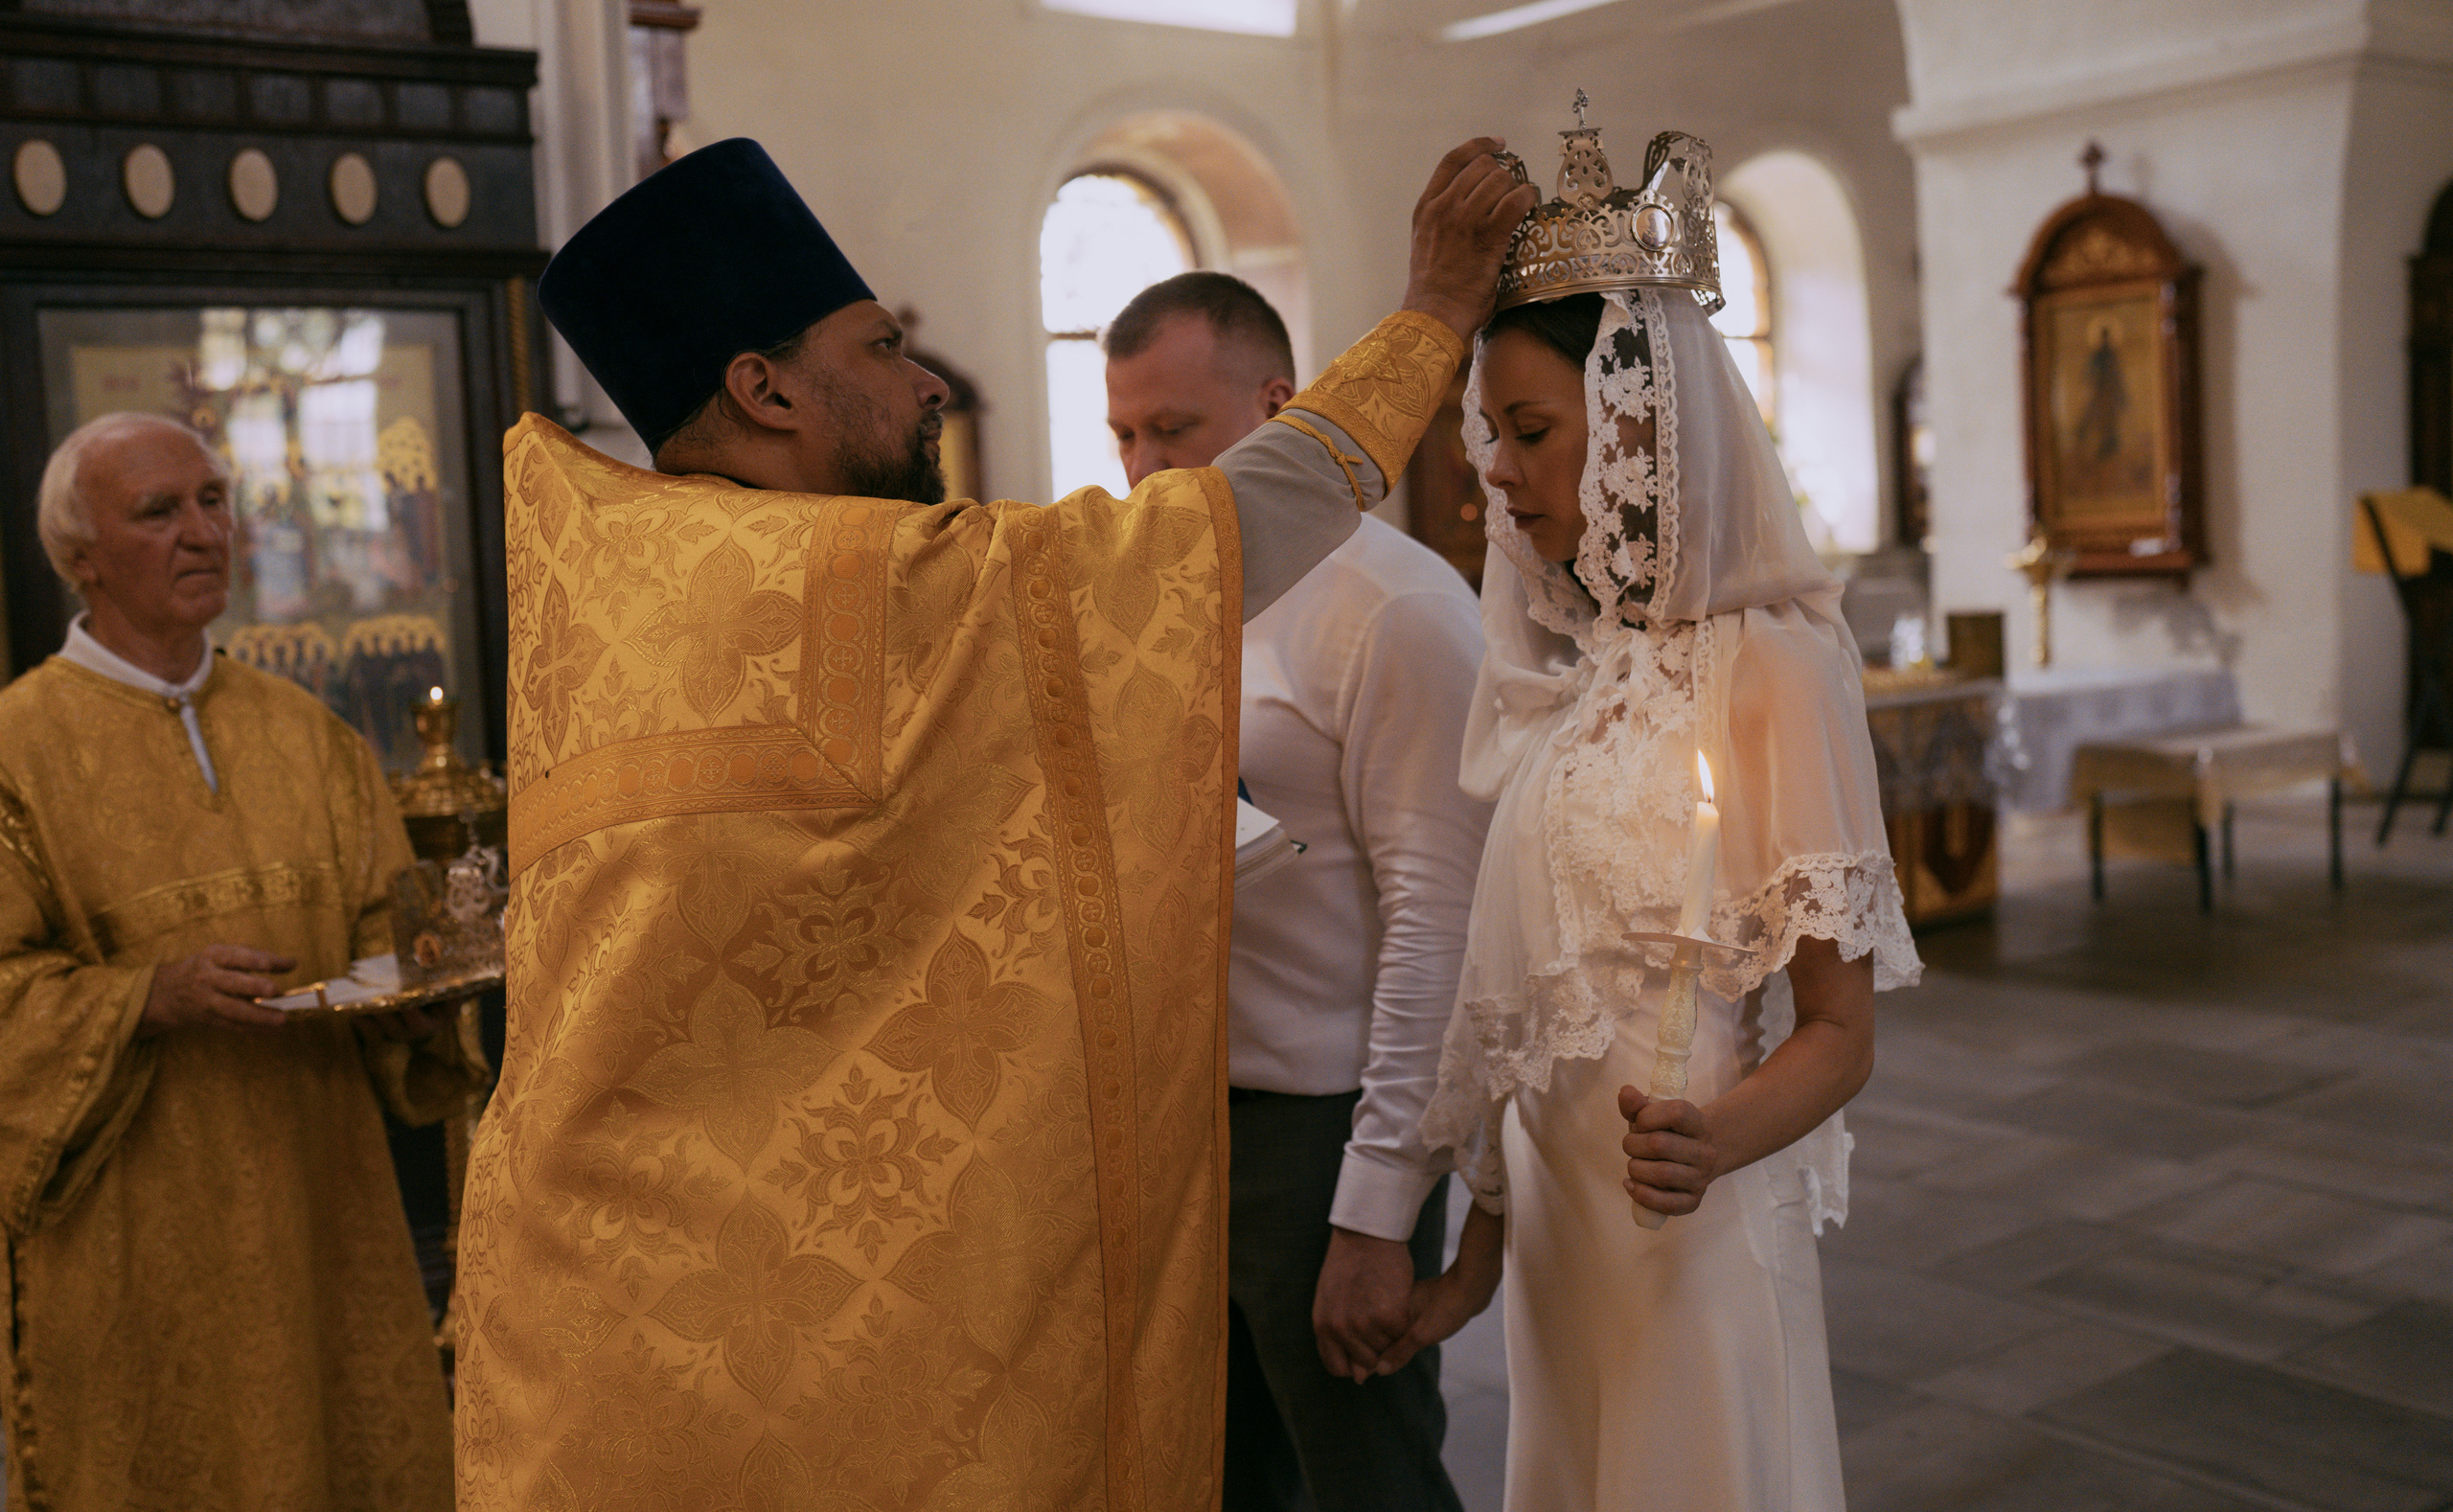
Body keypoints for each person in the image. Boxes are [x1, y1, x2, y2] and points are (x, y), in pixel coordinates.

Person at [452, 137, 1535, 1510]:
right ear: (764, 386)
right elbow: (1206, 541)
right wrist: (1434, 311)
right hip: (785, 1315)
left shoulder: (618, 582)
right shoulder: (854, 576)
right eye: (884, 344)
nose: (923, 386)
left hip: (593, 1294)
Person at [1395, 279, 1923, 1508]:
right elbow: (1523, 1002)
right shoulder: (1569, 680)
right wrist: (1480, 1249)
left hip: (1687, 1222)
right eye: (1489, 441)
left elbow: (1840, 1032)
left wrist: (1713, 1141)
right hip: (1559, 1237)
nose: (1499, 478)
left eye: (1531, 434)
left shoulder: (1773, 672)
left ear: (1636, 426)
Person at [0, 413, 485, 1512]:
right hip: (134, 1251)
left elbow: (389, 941)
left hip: (328, 1225)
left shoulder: (310, 734)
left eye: (214, 501)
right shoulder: (18, 751)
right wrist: (148, 999)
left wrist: (406, 1001)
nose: (203, 530)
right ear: (82, 556)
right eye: (159, 511)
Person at [1103, 272, 1487, 1512]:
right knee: (1215, 1478)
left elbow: (1441, 919)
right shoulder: (1153, 596)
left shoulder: (1398, 606)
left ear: (1280, 404)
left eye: (1174, 429)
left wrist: (1378, 1211)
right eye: (1124, 432)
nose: (1143, 467)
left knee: (1367, 1481)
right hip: (1179, 1117)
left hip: (1321, 1126)